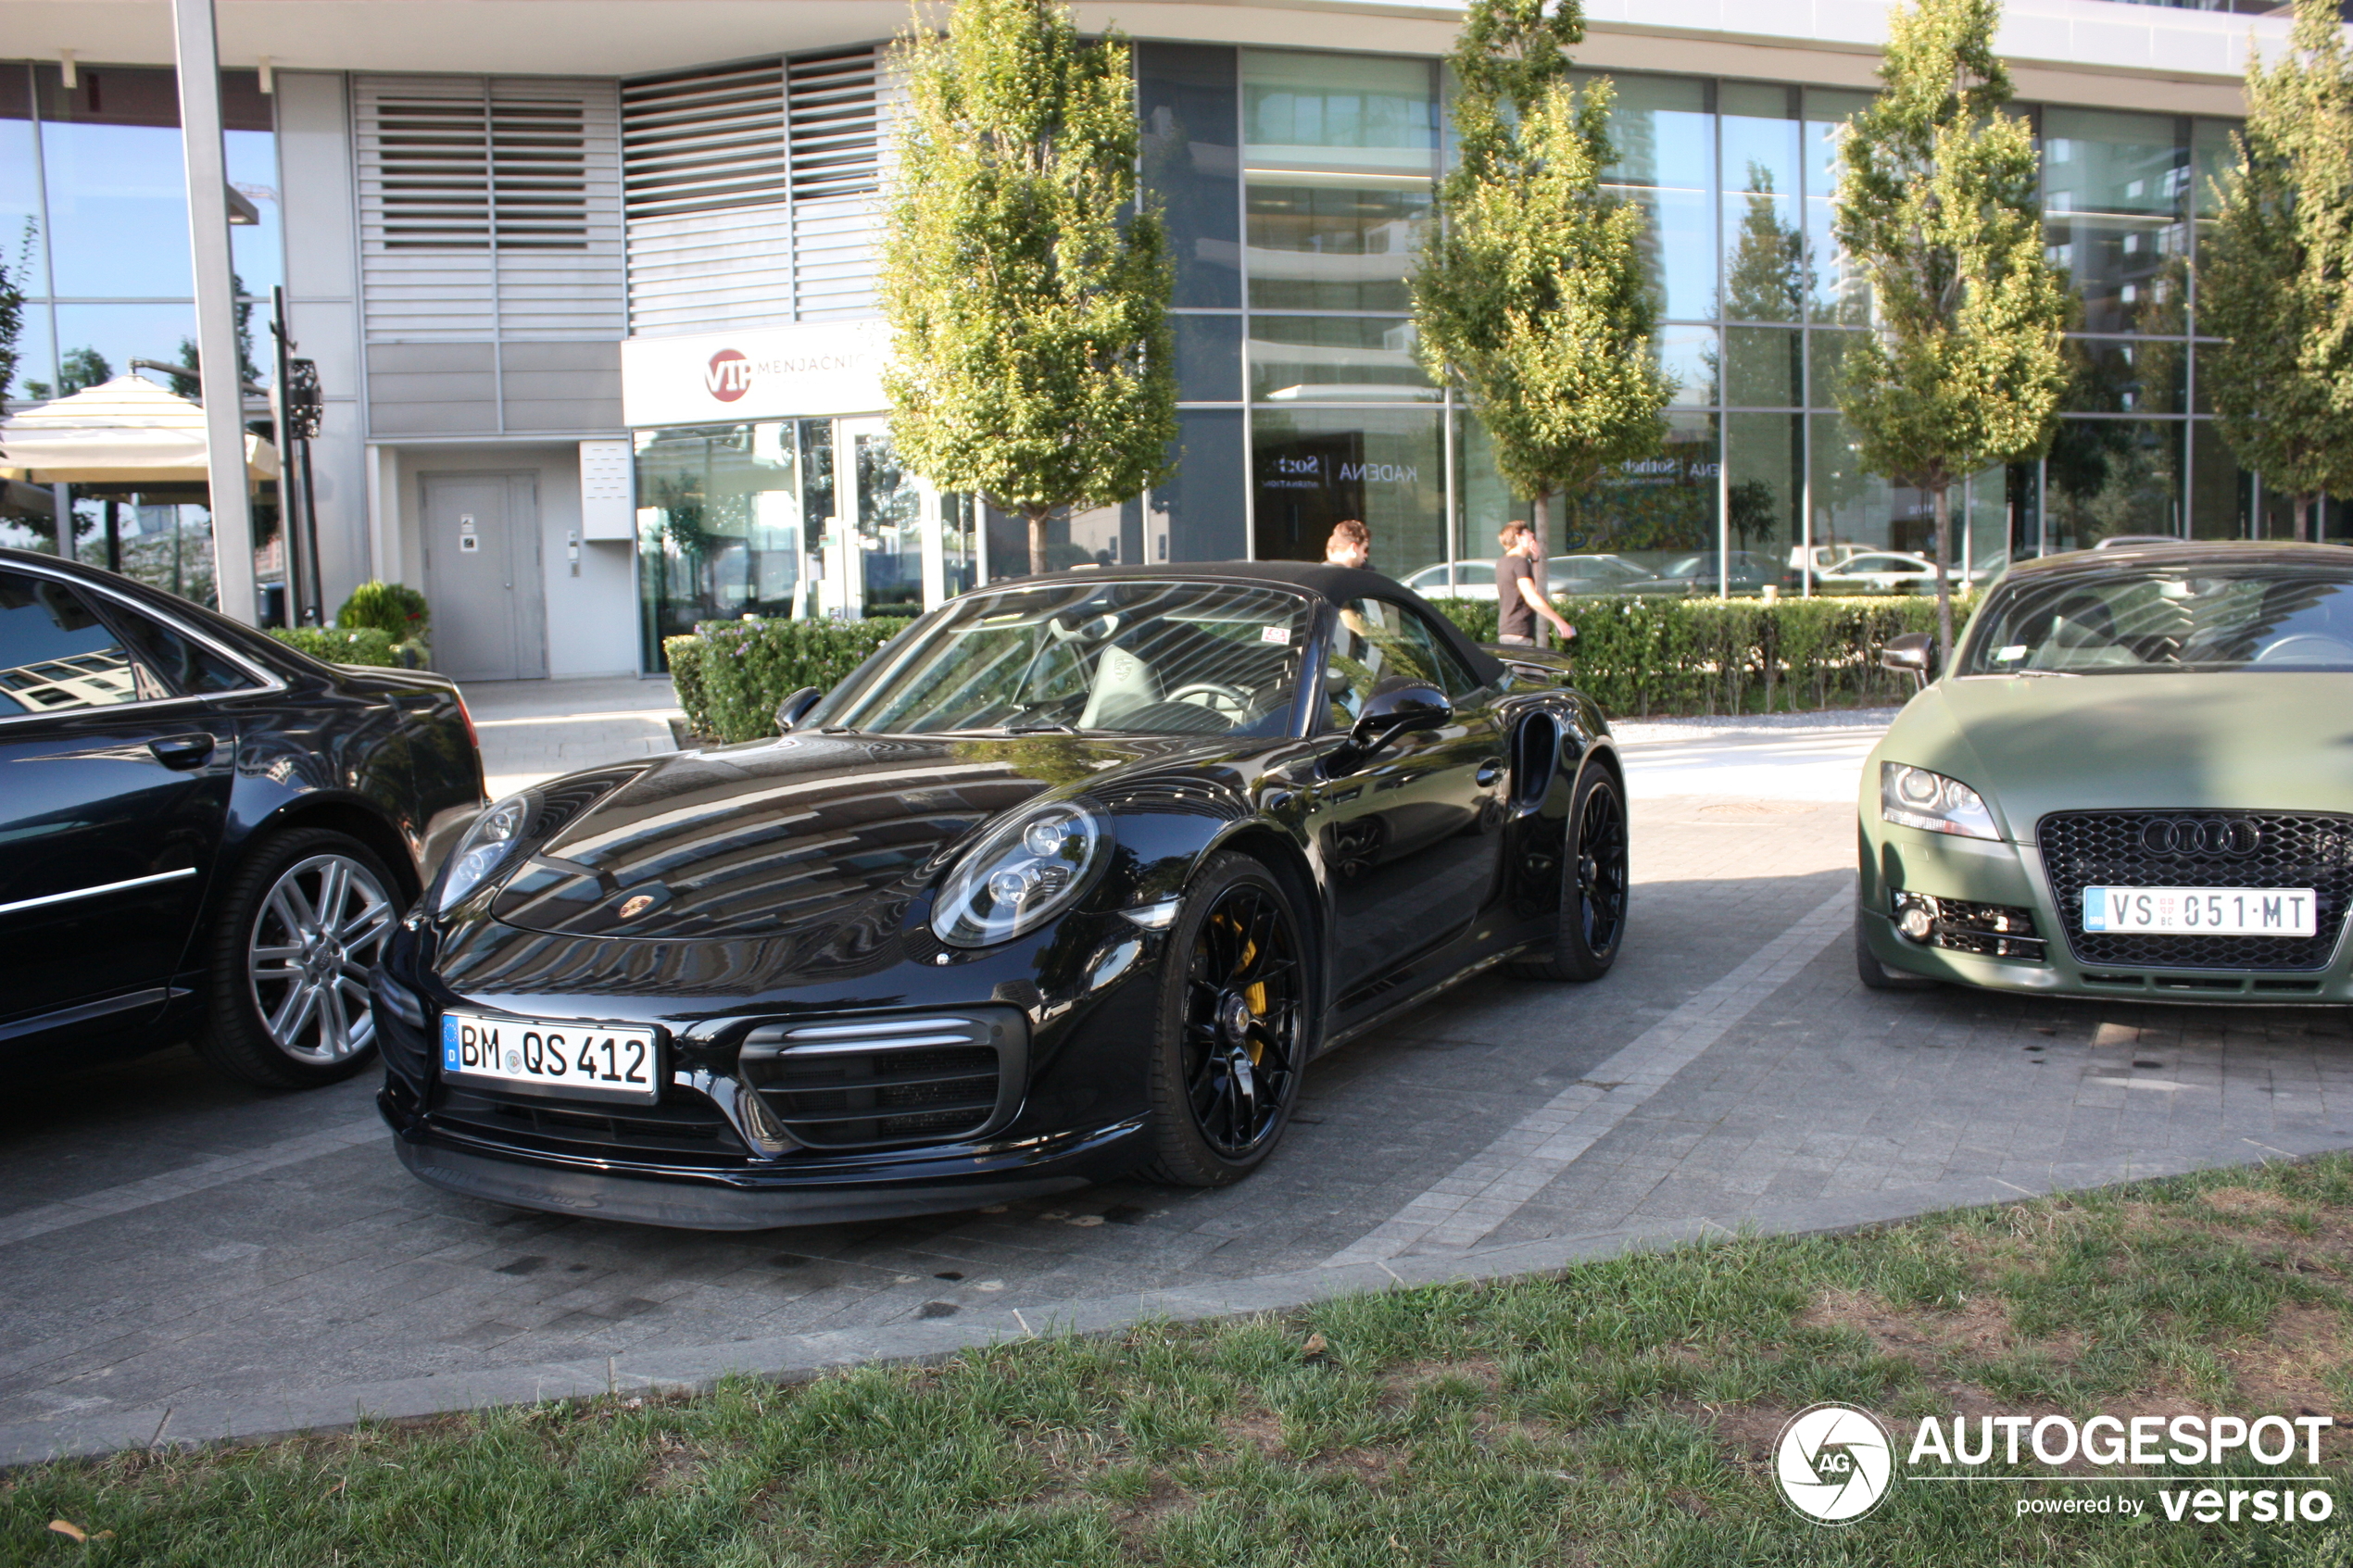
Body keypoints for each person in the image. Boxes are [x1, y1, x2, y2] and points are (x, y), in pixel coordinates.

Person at [1496, 521, 1577, 647]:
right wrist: (1559, 621)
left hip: (1508, 629)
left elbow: (1531, 584)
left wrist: (1535, 559)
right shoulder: (1520, 562)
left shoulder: (1504, 561)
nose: (1532, 535)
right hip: (1519, 632)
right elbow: (1531, 596)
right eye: (1527, 532)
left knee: (1532, 668)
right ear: (1518, 538)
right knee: (1524, 667)